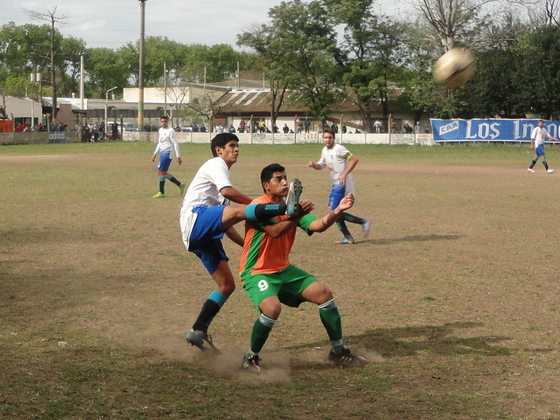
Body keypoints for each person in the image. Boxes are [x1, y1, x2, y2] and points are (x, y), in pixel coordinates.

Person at [239, 163, 368, 373]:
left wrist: (338, 210)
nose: (284, 182)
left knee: (324, 294)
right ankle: (250, 358)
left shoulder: (291, 207)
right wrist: (296, 215)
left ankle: (338, 351)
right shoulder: (258, 207)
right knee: (272, 309)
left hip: (284, 270)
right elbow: (275, 231)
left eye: (285, 178)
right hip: (257, 271)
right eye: (278, 179)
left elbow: (317, 226)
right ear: (266, 186)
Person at [181, 134, 302, 352]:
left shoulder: (220, 183)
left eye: (238, 146)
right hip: (196, 217)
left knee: (227, 285)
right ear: (219, 150)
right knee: (241, 211)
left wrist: (246, 244)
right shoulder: (216, 164)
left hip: (204, 234)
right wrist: (260, 204)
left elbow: (226, 224)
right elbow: (228, 193)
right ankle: (286, 207)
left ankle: (199, 329)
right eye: (232, 146)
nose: (236, 150)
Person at [308, 128, 370, 244]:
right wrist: (314, 165)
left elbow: (354, 159)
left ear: (334, 138)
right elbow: (321, 165)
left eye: (330, 137)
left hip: (343, 183)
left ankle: (361, 223)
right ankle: (349, 236)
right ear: (322, 139)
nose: (327, 140)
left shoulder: (339, 149)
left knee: (334, 212)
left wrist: (344, 173)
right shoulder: (325, 150)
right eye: (325, 137)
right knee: (336, 212)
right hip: (336, 183)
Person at [151, 115, 185, 198]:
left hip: (168, 153)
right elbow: (160, 142)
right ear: (160, 122)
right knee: (162, 172)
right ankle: (179, 184)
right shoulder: (160, 130)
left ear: (168, 122)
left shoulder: (171, 131)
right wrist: (155, 154)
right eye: (162, 121)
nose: (163, 123)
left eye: (165, 121)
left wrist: (178, 156)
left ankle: (161, 192)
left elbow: (175, 143)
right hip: (162, 152)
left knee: (161, 172)